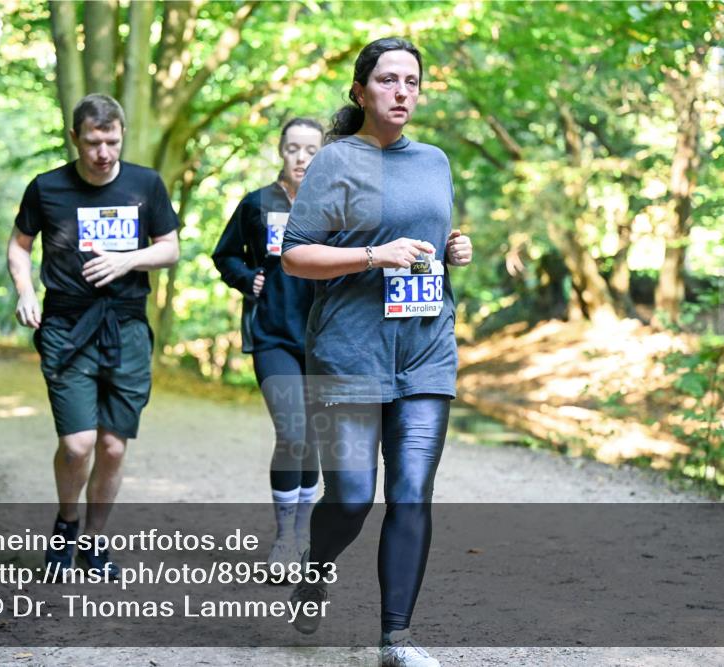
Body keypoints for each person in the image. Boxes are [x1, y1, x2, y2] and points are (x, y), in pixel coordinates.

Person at [280, 38, 473, 667]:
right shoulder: (335, 163)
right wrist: (372, 254)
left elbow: (431, 238)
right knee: (354, 497)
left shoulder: (436, 161)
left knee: (413, 492)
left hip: (425, 347)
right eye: (387, 80)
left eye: (411, 82)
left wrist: (453, 250)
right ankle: (316, 565)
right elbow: (295, 255)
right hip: (349, 352)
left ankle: (396, 638)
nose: (401, 92)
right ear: (361, 91)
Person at [7, 93, 180, 578]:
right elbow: (19, 246)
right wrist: (25, 291)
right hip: (66, 327)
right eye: (93, 142)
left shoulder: (146, 184)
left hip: (125, 327)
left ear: (122, 135)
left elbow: (169, 249)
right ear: (75, 139)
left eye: (112, 141)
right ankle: (66, 526)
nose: (104, 153)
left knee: (112, 447)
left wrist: (129, 259)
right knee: (79, 444)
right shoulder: (46, 188)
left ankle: (95, 544)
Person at [212, 118, 324, 574]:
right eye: (293, 148)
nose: (301, 158)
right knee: (293, 432)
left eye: (311, 150)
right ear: (280, 150)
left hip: (324, 338)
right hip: (272, 334)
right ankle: (285, 538)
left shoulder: (333, 206)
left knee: (313, 439)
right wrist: (246, 278)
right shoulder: (258, 203)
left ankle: (304, 534)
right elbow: (225, 255)